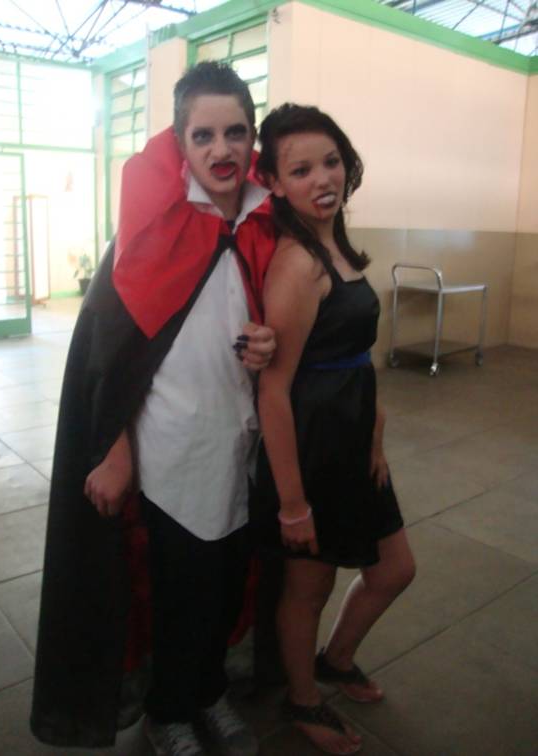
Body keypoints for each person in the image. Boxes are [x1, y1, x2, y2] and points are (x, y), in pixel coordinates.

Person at [31, 62, 277, 756]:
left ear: (252, 137)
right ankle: (168, 712)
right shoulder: (153, 229)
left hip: (240, 448)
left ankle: (208, 693)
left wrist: (268, 341)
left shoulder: (262, 223)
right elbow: (106, 355)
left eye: (235, 132)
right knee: (174, 594)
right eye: (204, 135)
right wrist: (111, 447)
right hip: (167, 455)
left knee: (227, 587)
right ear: (180, 142)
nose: (222, 149)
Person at [253, 104, 416, 755]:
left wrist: (375, 431)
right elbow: (274, 390)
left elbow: (353, 356)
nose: (323, 178)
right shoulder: (297, 264)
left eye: (331, 161)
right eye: (301, 170)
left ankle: (335, 659)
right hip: (312, 452)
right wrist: (292, 503)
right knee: (309, 586)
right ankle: (301, 698)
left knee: (394, 569)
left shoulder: (339, 246)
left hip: (354, 445)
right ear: (274, 183)